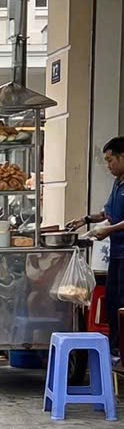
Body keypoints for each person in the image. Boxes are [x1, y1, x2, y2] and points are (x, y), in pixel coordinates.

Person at [70, 135, 124, 368]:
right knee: (112, 301)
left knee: (122, 304)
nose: (108, 165)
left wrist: (108, 230)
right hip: (116, 254)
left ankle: (120, 353)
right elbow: (107, 212)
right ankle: (113, 350)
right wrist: (86, 220)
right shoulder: (118, 183)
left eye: (110, 160)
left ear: (123, 157)